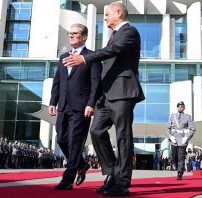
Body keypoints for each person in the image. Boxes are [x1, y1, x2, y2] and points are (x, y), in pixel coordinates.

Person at [62, 2, 145, 196]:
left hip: (123, 92)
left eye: (107, 14)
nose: (105, 17)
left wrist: (85, 58)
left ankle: (123, 183)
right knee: (97, 131)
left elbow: (113, 51)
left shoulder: (129, 32)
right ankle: (111, 173)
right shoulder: (113, 36)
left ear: (119, 13)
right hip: (106, 95)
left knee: (123, 136)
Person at [48, 23, 102, 190]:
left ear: (84, 36)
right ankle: (81, 164)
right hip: (63, 105)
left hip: (81, 107)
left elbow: (96, 83)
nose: (71, 36)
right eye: (69, 34)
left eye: (75, 34)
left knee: (75, 143)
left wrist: (91, 103)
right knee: (61, 139)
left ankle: (67, 179)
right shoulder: (63, 56)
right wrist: (53, 101)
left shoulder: (91, 57)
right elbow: (58, 81)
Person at [165, 101, 196, 180]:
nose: (180, 108)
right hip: (174, 140)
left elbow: (193, 129)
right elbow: (167, 128)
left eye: (182, 106)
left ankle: (180, 173)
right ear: (177, 107)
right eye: (179, 106)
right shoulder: (172, 116)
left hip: (182, 140)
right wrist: (170, 137)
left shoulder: (187, 117)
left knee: (181, 157)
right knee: (174, 157)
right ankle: (178, 169)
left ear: (184, 108)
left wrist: (187, 137)